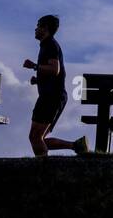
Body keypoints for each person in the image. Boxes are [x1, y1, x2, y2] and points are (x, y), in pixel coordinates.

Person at [23, 14, 88, 156]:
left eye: (38, 25)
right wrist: (38, 80)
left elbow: (54, 69)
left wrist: (34, 66)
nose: (35, 29)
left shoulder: (50, 45)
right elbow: (56, 74)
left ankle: (44, 173)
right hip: (52, 96)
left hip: (51, 97)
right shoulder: (47, 45)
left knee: (35, 137)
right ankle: (76, 146)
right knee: (37, 138)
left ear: (45, 28)